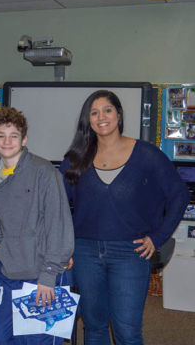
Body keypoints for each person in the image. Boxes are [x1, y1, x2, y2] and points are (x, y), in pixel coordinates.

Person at [59, 90, 189, 345]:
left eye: (107, 110)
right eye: (94, 113)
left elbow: (179, 194)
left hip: (130, 254)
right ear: (89, 120)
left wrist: (158, 236)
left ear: (118, 114)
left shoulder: (146, 154)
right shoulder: (76, 158)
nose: (101, 117)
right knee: (94, 327)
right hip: (85, 253)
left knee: (127, 332)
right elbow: (57, 203)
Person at [0, 107, 74, 345]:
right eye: (1, 135)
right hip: (10, 271)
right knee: (0, 338)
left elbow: (59, 224)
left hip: (42, 274)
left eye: (14, 135)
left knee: (36, 341)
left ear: (24, 139)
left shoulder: (44, 172)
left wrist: (49, 274)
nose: (7, 141)